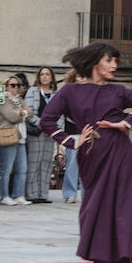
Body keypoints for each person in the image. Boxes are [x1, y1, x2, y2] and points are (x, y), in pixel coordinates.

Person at [39, 43, 132, 263]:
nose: (114, 65)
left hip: (120, 156)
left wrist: (125, 123)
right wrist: (71, 141)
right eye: (108, 60)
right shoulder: (69, 92)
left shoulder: (118, 91)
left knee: (121, 214)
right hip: (91, 157)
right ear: (94, 63)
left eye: (116, 60)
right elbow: (46, 120)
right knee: (93, 214)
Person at [0, 73, 31, 206]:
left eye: (18, 85)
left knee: (22, 168)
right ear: (6, 87)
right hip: (8, 135)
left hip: (21, 136)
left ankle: (18, 194)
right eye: (13, 85)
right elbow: (11, 117)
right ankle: (2, 195)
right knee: (7, 168)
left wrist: (22, 113)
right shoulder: (2, 99)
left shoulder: (20, 100)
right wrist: (22, 113)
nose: (16, 88)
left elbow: (30, 113)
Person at [23, 67, 58, 203]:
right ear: (39, 77)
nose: (44, 77)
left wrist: (55, 129)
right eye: (42, 74)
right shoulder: (33, 91)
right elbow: (29, 112)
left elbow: (60, 113)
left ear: (51, 77)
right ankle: (31, 194)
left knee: (46, 163)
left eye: (47, 74)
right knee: (34, 163)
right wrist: (43, 125)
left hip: (50, 133)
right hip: (36, 132)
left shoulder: (56, 94)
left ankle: (43, 194)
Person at [57, 70, 81, 203]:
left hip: (88, 135)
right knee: (72, 165)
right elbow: (61, 113)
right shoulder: (67, 95)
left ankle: (88, 194)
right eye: (78, 76)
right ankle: (70, 194)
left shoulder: (92, 94)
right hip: (72, 134)